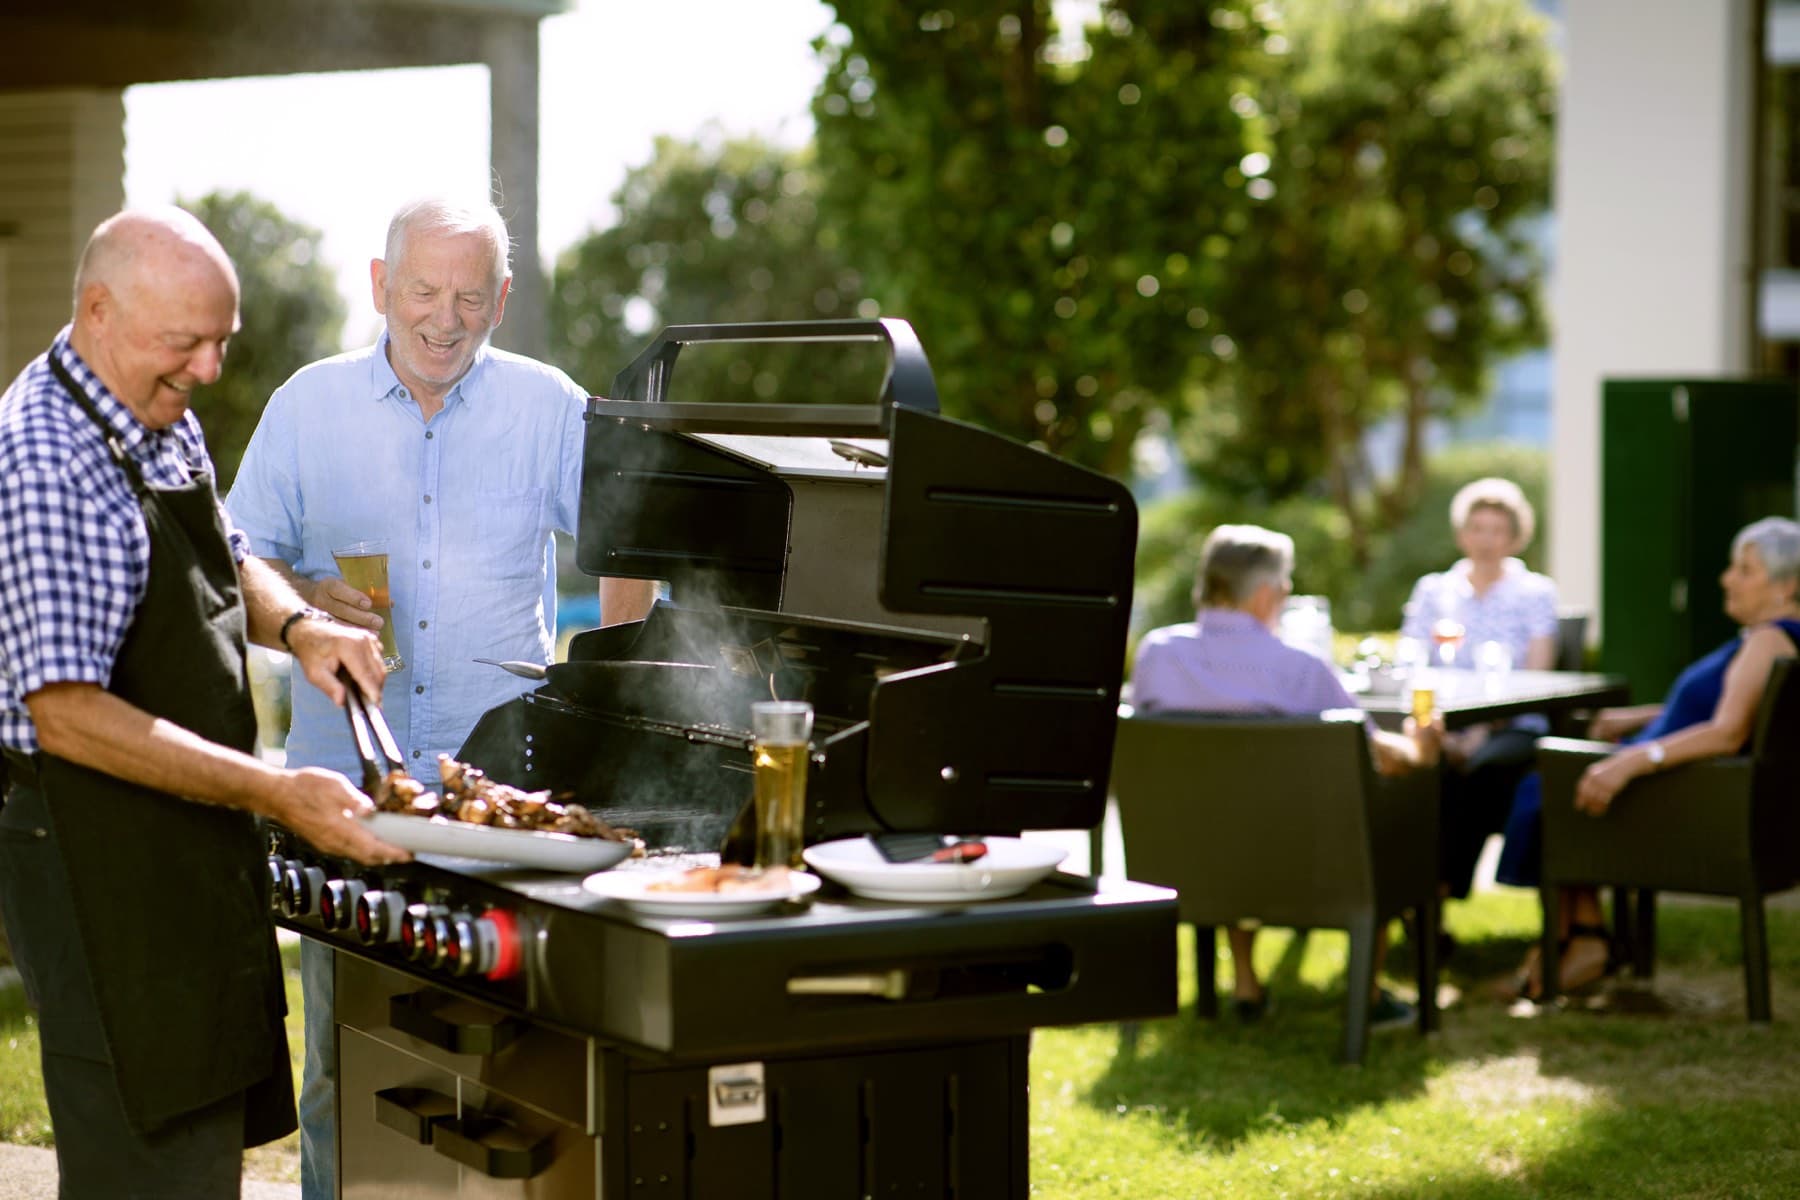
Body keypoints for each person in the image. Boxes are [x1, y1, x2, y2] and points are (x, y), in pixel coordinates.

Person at [225, 197, 657, 1200]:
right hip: (347, 797)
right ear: (381, 285)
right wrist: (301, 604)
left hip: (498, 804)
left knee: (512, 1072)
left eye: (470, 296)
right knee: (344, 1066)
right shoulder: (307, 406)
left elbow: (629, 539)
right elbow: (236, 565)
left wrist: (606, 681)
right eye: (423, 290)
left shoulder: (550, 406)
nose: (445, 319)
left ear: (501, 299)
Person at [0, 207, 409, 1196]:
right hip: (96, 860)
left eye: (221, 340)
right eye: (188, 342)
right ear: (100, 310)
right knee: (143, 1164)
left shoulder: (155, 409)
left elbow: (224, 554)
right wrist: (277, 793)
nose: (211, 369)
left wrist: (302, 626)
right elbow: (67, 713)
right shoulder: (45, 460)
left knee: (200, 1151)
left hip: (187, 843)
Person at [1132, 524, 1439, 1026]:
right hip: (1309, 862)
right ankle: (1366, 994)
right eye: (1286, 584)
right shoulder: (1299, 669)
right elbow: (1377, 756)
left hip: (1195, 857)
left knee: (1229, 804)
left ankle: (1246, 983)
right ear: (1264, 594)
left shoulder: (1157, 655)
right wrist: (1419, 750)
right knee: (1369, 817)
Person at [1496, 516, 1800, 999]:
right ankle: (1580, 934)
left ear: (1788, 585)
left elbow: (1727, 733)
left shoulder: (1768, 641)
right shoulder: (1771, 639)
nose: (1727, 579)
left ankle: (1573, 939)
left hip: (1678, 798)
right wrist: (1637, 718)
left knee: (1548, 785)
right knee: (1558, 776)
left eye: (1745, 570)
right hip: (1681, 782)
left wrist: (1633, 761)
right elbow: (1725, 710)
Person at [1400, 477, 1559, 915]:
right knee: (1419, 770)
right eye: (1478, 528)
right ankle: (1416, 895)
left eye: (1497, 530)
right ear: (1462, 534)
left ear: (1515, 537)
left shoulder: (1534, 593)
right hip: (1444, 725)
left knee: (1475, 771)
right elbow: (1412, 662)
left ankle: (1437, 894)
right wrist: (1444, 733)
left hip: (1512, 727)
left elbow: (1534, 678)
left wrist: (1481, 733)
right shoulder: (1434, 591)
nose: (1486, 540)